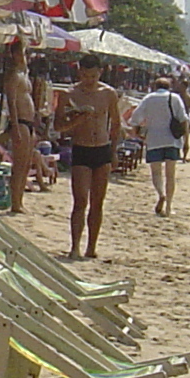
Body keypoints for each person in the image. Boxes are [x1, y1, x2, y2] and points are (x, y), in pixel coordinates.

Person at [54, 57, 122, 259]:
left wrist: (114, 151)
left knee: (97, 201)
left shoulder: (108, 94)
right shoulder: (69, 94)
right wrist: (77, 119)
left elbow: (116, 125)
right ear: (79, 72)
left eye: (92, 76)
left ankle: (91, 246)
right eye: (84, 75)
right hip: (81, 148)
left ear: (100, 73)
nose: (88, 80)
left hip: (102, 148)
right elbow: (58, 127)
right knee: (80, 200)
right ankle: (74, 246)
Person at [129, 76, 189, 217]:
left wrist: (137, 134)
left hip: (154, 140)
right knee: (170, 175)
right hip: (172, 140)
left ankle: (161, 194)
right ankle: (168, 207)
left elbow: (135, 118)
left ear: (154, 87)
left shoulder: (149, 99)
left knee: (156, 172)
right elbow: (184, 119)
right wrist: (187, 141)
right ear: (169, 87)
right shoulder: (175, 98)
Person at [1, 38, 39, 213]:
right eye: (23, 52)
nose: (26, 56)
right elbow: (12, 103)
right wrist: (14, 127)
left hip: (28, 123)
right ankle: (15, 201)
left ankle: (19, 200)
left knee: (25, 165)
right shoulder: (14, 77)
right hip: (21, 123)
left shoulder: (24, 75)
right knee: (19, 165)